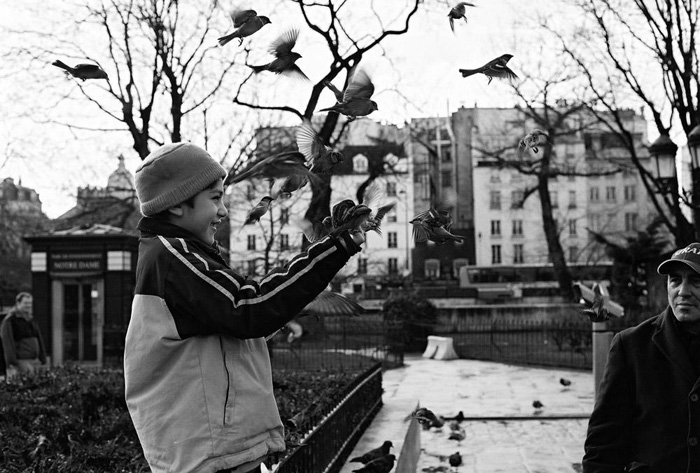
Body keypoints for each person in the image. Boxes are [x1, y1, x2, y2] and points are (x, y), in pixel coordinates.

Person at [124, 142, 365, 473]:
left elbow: (235, 330)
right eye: (215, 198)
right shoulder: (173, 257)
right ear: (178, 203)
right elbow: (250, 309)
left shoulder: (181, 253)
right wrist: (335, 247)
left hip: (217, 453)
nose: (223, 211)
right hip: (208, 458)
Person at [583, 242, 700, 472]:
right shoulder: (631, 346)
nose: (683, 291)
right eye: (675, 280)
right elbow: (603, 445)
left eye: (696, 281)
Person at [0, 292, 47, 379]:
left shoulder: (31, 319)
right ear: (18, 303)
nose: (28, 305)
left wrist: (43, 358)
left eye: (30, 303)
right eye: (25, 303)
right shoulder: (10, 320)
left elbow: (39, 338)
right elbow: (7, 342)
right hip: (21, 360)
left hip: (34, 359)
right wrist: (12, 361)